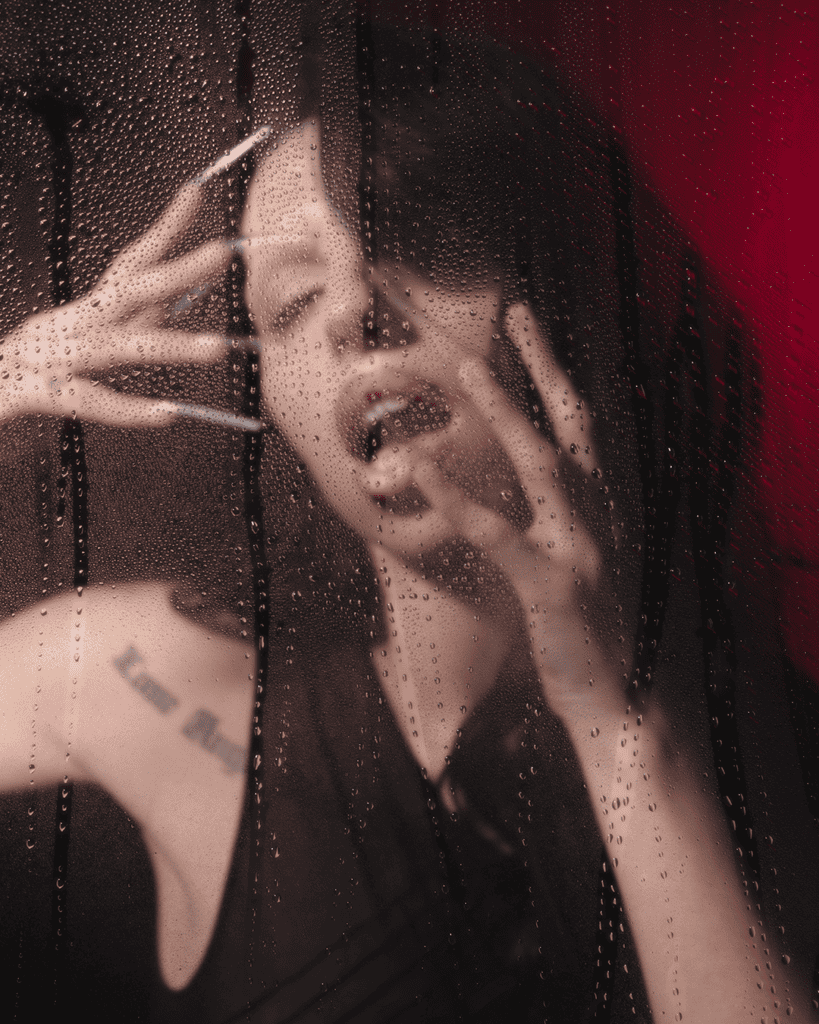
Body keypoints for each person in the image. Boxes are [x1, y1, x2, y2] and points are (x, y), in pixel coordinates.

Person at [0, 21, 814, 1024]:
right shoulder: (175, 687)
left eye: (411, 237)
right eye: (291, 300)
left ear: (569, 274)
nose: (351, 310)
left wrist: (627, 730)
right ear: (280, 424)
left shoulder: (784, 762)